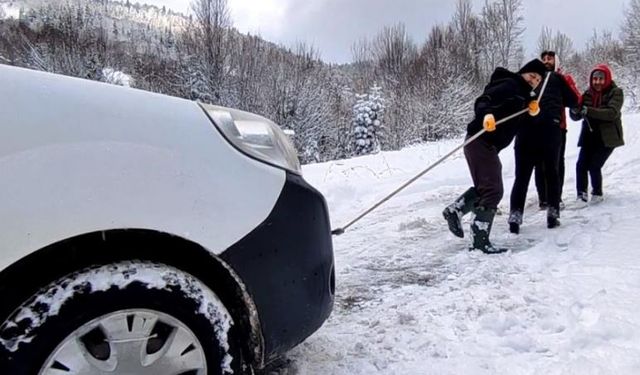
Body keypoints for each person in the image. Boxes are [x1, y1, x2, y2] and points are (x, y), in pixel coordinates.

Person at [443, 59, 546, 254]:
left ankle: (456, 210)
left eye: (538, 80)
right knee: (494, 190)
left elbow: (513, 120)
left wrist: (531, 111)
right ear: (523, 73)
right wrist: (486, 116)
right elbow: (484, 101)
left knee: (487, 188)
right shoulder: (511, 84)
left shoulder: (523, 95)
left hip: (485, 145)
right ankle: (479, 242)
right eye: (532, 75)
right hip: (480, 140)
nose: (534, 81)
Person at [507, 52, 580, 234]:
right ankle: (552, 213)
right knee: (552, 173)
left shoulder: (520, 81)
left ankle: (515, 215)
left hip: (525, 131)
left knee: (522, 176)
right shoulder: (557, 78)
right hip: (551, 129)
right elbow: (573, 101)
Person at [533, 51, 582, 211]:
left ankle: (556, 196)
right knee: (539, 164)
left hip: (558, 126)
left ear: (556, 61)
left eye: (550, 59)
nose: (547, 61)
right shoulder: (536, 79)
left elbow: (575, 98)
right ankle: (543, 198)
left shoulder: (563, 78)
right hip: (537, 126)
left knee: (556, 163)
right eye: (544, 59)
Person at [570, 64, 624, 204]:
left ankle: (597, 192)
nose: (597, 82)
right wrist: (575, 110)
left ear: (607, 79)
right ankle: (581, 194)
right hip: (589, 135)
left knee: (595, 165)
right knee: (581, 165)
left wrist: (589, 111)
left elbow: (611, 113)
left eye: (601, 79)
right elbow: (576, 116)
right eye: (595, 79)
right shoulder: (587, 94)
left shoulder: (616, 92)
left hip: (607, 137)